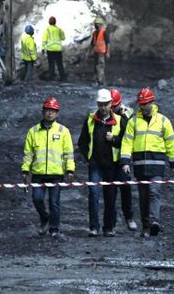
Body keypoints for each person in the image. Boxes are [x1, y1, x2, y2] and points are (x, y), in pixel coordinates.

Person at [121, 88, 174, 237]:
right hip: (140, 166)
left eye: (145, 103)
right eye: (141, 104)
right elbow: (127, 142)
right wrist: (125, 161)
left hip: (157, 165)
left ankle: (154, 221)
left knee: (154, 192)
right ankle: (146, 227)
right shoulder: (133, 121)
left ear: (152, 102)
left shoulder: (163, 121)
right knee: (143, 197)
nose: (143, 106)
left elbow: (171, 143)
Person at [21, 97, 75, 239]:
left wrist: (70, 170)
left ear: (57, 113)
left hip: (56, 173)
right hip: (38, 173)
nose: (50, 113)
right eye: (48, 110)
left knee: (54, 202)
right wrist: (25, 170)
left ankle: (54, 229)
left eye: (53, 111)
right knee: (37, 199)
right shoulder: (33, 132)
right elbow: (28, 153)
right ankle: (45, 217)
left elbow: (68, 153)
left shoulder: (64, 131)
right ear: (43, 112)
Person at [77, 89, 125, 237]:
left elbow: (127, 143)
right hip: (96, 165)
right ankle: (94, 227)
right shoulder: (91, 120)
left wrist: (114, 140)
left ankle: (109, 227)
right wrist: (89, 158)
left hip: (112, 166)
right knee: (93, 195)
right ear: (97, 104)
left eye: (105, 104)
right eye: (100, 104)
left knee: (110, 197)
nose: (103, 107)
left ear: (111, 103)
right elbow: (82, 142)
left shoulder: (119, 121)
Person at [110, 88, 137, 231]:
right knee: (111, 192)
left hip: (123, 158)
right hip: (109, 159)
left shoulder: (129, 114)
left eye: (113, 107)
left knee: (126, 189)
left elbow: (129, 137)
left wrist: (114, 139)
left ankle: (129, 218)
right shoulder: (105, 115)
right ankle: (112, 223)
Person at [87, 17, 110, 86]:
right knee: (96, 67)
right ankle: (101, 81)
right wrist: (88, 52)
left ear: (101, 25)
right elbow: (92, 44)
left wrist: (108, 52)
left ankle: (99, 81)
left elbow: (108, 43)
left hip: (102, 52)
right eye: (95, 24)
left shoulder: (104, 32)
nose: (96, 26)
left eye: (97, 24)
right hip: (96, 52)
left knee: (100, 67)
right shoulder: (94, 33)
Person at [42, 16, 66, 81]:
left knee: (51, 64)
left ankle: (51, 78)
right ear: (55, 22)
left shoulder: (47, 30)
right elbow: (63, 38)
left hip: (50, 49)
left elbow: (44, 40)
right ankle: (62, 77)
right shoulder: (59, 29)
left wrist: (43, 49)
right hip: (58, 49)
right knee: (59, 64)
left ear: (49, 22)